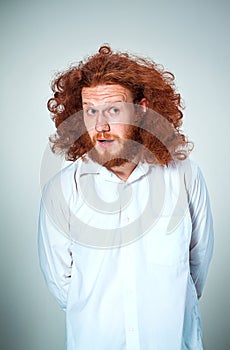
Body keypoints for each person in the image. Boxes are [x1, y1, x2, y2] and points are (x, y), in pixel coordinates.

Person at [38, 45, 214, 350]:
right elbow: (62, 286)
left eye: (114, 110)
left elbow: (196, 266)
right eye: (91, 111)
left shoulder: (185, 176)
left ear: (142, 109)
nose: (101, 126)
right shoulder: (62, 190)